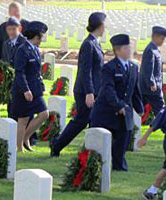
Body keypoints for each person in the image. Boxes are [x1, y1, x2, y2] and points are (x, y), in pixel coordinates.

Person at [50, 12, 106, 157]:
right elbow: (85, 70)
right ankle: (57, 145)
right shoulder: (88, 44)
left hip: (94, 89)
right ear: (99, 25)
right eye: (104, 24)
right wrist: (89, 92)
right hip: (85, 90)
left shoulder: (95, 43)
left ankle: (92, 152)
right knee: (81, 121)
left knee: (94, 121)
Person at [90, 34, 143, 171]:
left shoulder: (133, 67)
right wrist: (118, 105)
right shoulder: (109, 67)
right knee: (101, 143)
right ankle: (97, 166)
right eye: (126, 47)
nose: (130, 49)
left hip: (125, 111)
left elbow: (134, 89)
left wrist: (140, 108)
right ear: (118, 50)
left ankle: (119, 166)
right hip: (107, 111)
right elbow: (108, 89)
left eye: (129, 46)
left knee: (123, 140)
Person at [11, 21, 49, 152]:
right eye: (41, 37)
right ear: (36, 36)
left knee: (44, 114)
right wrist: (25, 89)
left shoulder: (35, 50)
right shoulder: (22, 50)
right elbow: (19, 72)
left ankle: (26, 137)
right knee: (23, 118)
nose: (42, 39)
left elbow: (36, 72)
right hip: (23, 90)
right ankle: (19, 147)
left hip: (36, 89)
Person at [140, 26, 166, 116]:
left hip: (153, 86)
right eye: (162, 38)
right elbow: (147, 68)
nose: (163, 41)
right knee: (160, 109)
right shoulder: (150, 50)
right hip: (151, 88)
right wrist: (151, 83)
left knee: (140, 107)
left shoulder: (155, 49)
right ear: (155, 37)